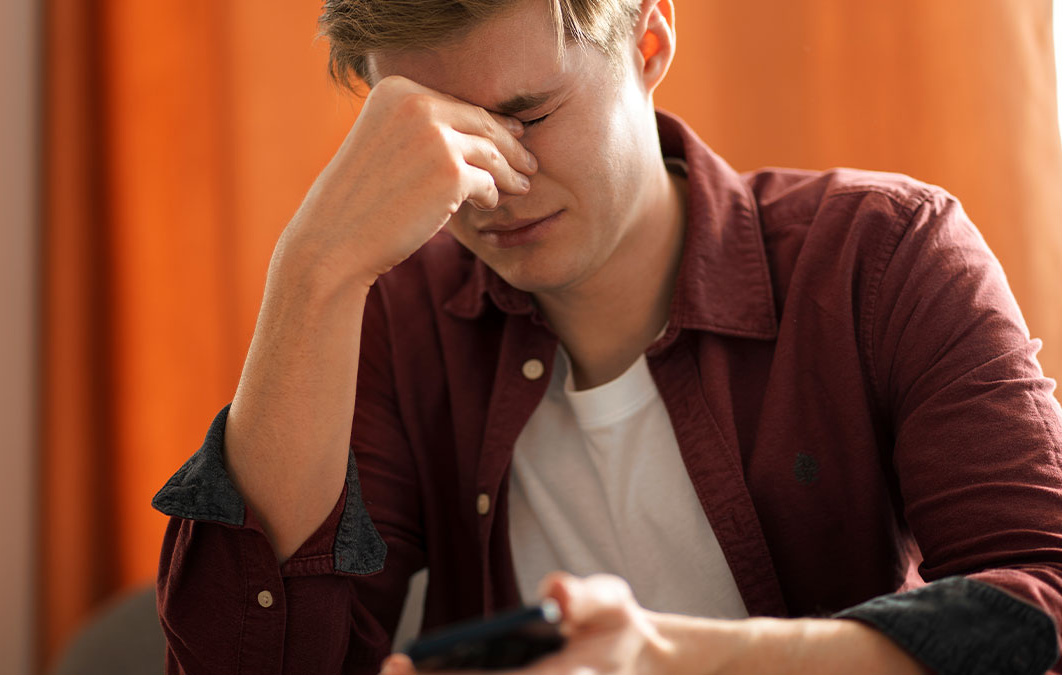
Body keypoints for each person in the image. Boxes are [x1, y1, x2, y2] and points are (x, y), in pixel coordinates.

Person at [151, 0, 1062, 672]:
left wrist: (660, 654)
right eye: (435, 134)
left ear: (651, 38)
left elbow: (1044, 604)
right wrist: (311, 269)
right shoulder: (398, 320)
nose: (491, 183)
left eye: (527, 116)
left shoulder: (886, 255)